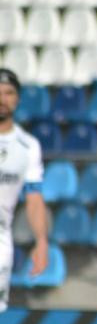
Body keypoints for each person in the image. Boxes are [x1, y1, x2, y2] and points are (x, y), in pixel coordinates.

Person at [0, 68, 48, 304]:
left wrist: (41, 240)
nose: (3, 99)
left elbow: (34, 198)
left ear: (17, 99)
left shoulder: (28, 146)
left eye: (9, 93)